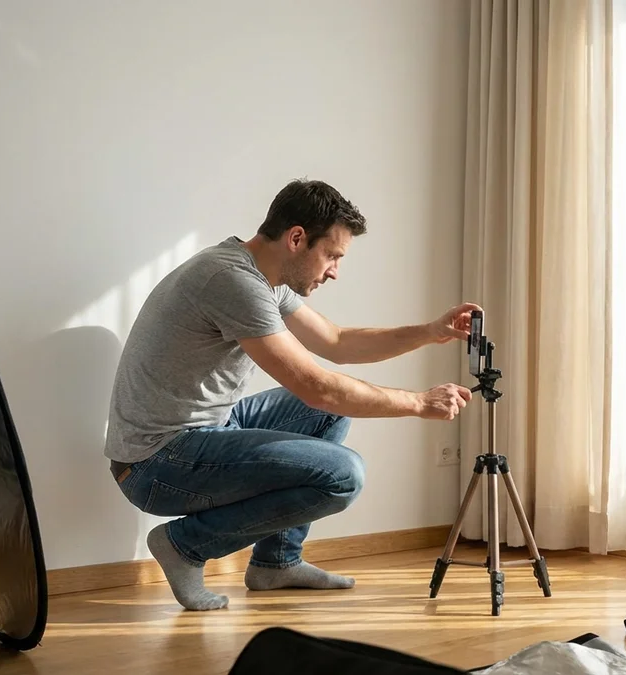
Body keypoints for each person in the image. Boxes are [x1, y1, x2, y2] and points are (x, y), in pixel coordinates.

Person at [104, 178, 479, 611]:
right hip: (154, 463)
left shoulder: (263, 276)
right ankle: (184, 545)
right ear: (297, 238)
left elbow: (337, 342)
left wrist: (431, 331)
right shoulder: (232, 281)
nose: (335, 271)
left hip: (206, 430)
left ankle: (277, 562)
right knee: (343, 475)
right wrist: (419, 403)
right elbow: (317, 387)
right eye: (332, 255)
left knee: (327, 416)